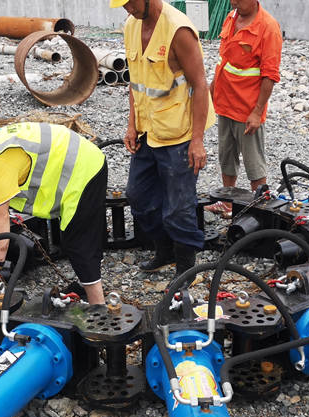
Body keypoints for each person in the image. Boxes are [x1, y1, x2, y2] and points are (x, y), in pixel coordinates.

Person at [0, 122, 108, 305]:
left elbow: (0, 213)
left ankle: (98, 308)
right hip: (83, 160)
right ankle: (86, 285)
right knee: (79, 238)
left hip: (85, 169)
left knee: (77, 242)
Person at [110, 0, 215, 281]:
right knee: (139, 196)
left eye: (130, 2)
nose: (127, 9)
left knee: (179, 207)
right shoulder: (131, 26)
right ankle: (164, 250)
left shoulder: (178, 30)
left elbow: (200, 84)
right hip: (148, 131)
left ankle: (186, 268)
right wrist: (132, 125)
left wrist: (198, 141)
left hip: (179, 133)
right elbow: (136, 82)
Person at [206, 0, 282, 218]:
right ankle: (228, 204)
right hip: (225, 105)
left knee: (254, 165)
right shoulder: (231, 18)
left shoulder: (268, 27)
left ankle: (258, 211)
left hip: (247, 110)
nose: (233, 2)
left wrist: (257, 112)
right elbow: (223, 62)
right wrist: (211, 94)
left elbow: (270, 75)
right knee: (226, 158)